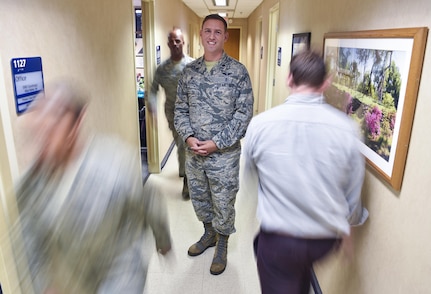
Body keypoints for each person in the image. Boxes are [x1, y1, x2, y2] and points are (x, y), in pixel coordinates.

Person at [9, 81, 172, 294]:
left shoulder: (117, 164)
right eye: (40, 117)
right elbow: (28, 243)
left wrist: (163, 240)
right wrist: (43, 286)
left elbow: (150, 202)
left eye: (55, 118)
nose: (44, 126)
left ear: (77, 123)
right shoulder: (29, 185)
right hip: (74, 281)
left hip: (120, 273)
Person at [242, 50, 369, 294]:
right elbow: (353, 191)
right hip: (324, 241)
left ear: (289, 79)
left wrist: (251, 213)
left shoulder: (260, 124)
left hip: (279, 240)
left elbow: (248, 177)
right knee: (298, 281)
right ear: (325, 83)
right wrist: (349, 228)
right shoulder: (348, 130)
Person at [174, 14, 254, 275]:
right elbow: (180, 110)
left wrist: (217, 143)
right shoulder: (189, 72)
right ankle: (208, 234)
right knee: (200, 198)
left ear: (225, 36)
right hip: (194, 154)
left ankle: (222, 244)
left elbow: (243, 115)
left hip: (224, 157)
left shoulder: (238, 72)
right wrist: (187, 136)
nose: (211, 36)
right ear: (200, 34)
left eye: (217, 32)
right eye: (207, 31)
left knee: (223, 200)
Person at [148, 27, 194, 200]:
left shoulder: (193, 65)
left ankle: (188, 184)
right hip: (172, 113)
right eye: (172, 41)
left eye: (178, 41)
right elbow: (152, 90)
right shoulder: (162, 69)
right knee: (181, 145)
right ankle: (184, 170)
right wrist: (152, 107)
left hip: (191, 113)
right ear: (168, 43)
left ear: (184, 43)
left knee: (187, 146)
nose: (175, 44)